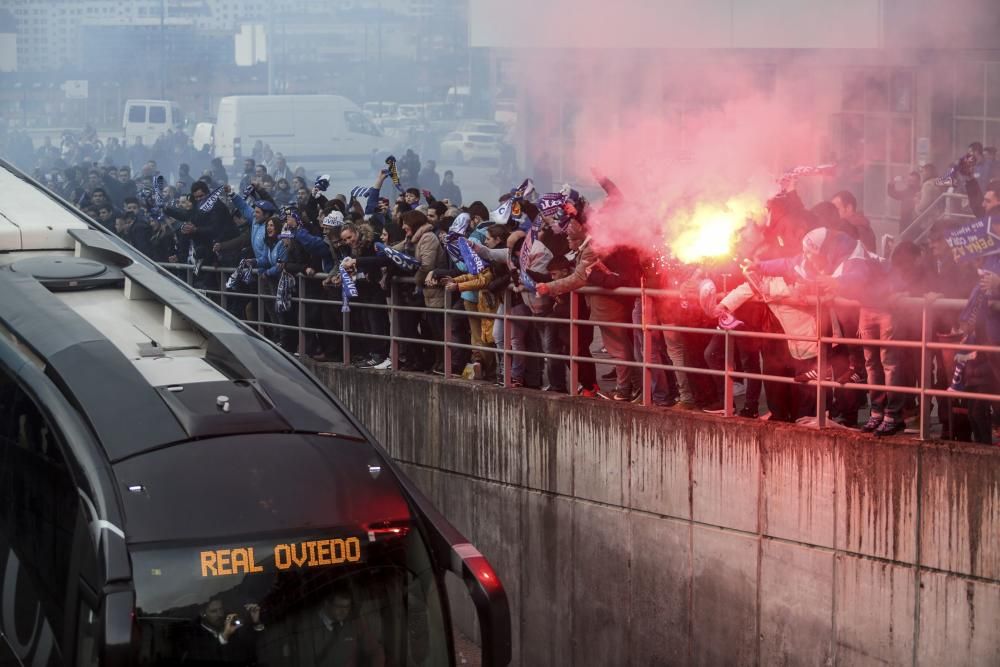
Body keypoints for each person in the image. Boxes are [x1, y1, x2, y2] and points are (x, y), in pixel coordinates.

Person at [298, 588, 384, 667]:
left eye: (347, 607)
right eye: (339, 607)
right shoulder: (307, 627)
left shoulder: (354, 623)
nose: (344, 611)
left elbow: (376, 650)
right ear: (327, 604)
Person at [179, 597, 261, 665]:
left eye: (221, 609)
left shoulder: (229, 625)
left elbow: (252, 648)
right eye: (214, 611)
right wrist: (224, 637)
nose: (220, 614)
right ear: (203, 613)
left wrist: (256, 622)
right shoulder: (193, 635)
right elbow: (206, 656)